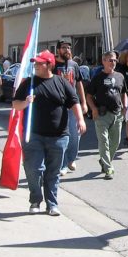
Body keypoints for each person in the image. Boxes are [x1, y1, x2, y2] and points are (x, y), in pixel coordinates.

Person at [13, 50, 86, 216]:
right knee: (33, 169)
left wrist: (80, 120)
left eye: (40, 63)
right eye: (35, 63)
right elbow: (15, 104)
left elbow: (74, 102)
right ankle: (35, 200)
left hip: (59, 136)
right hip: (33, 135)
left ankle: (52, 204)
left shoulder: (61, 82)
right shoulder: (29, 83)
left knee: (53, 172)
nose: (36, 65)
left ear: (49, 65)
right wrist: (25, 103)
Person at [86, 51, 127, 180]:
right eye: (110, 60)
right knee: (104, 142)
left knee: (115, 142)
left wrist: (125, 106)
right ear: (103, 61)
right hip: (102, 114)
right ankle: (108, 168)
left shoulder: (120, 76)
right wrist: (93, 109)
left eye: (114, 60)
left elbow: (123, 93)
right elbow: (89, 96)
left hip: (117, 113)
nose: (113, 62)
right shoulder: (98, 78)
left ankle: (104, 161)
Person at [54, 40, 88, 175]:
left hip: (73, 105)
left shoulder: (74, 65)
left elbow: (79, 84)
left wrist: (83, 102)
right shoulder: (52, 65)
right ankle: (62, 164)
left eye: (68, 47)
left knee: (75, 134)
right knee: (62, 136)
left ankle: (71, 159)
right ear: (58, 50)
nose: (67, 50)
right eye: (64, 48)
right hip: (58, 106)